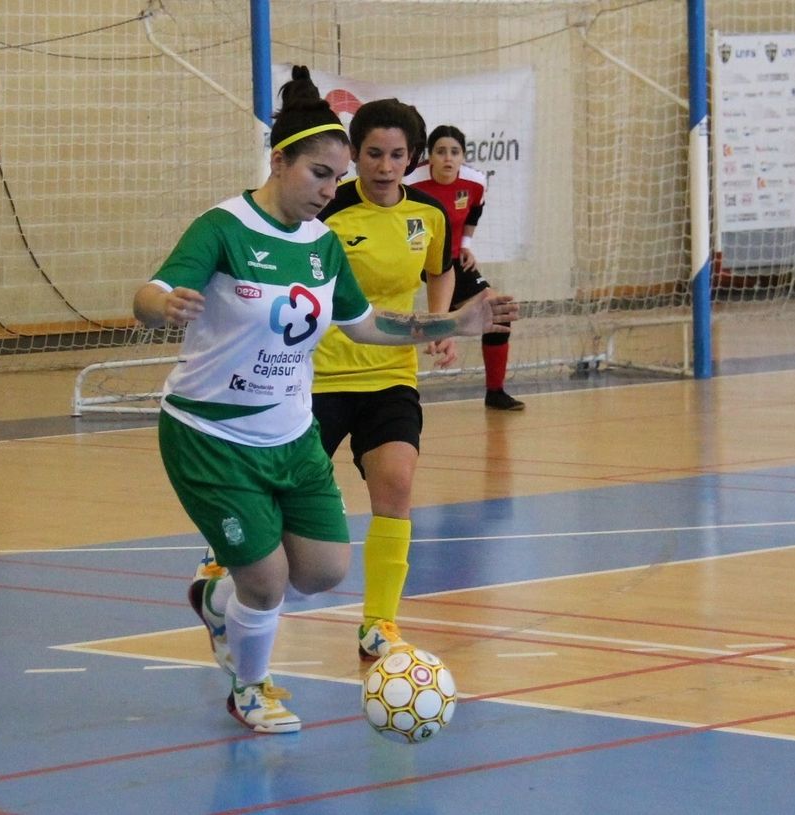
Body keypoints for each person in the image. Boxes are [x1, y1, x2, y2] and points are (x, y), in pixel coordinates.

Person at [135, 66, 515, 734]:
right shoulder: (223, 228)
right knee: (268, 581)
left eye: (334, 178)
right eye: (317, 173)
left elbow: (367, 323)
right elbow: (150, 292)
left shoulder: (320, 244)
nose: (327, 189)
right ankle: (249, 687)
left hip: (289, 436)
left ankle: (216, 598)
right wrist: (162, 305)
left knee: (322, 569)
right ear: (279, 161)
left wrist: (456, 322)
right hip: (212, 434)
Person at [311, 97, 457, 663]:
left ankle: (379, 623)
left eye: (397, 155)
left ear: (412, 158)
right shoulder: (326, 211)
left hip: (392, 373)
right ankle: (225, 563)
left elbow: (438, 271)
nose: (384, 165)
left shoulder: (429, 216)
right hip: (318, 377)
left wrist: (440, 325)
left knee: (396, 483)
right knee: (288, 493)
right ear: (354, 154)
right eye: (373, 153)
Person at [407, 125, 525, 410]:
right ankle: (442, 330)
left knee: (497, 311)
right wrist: (419, 256)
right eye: (441, 152)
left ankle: (495, 392)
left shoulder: (475, 181)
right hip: (414, 252)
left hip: (450, 255)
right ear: (429, 157)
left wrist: (466, 244)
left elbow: (474, 211)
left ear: (463, 156)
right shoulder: (411, 182)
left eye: (455, 152)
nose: (448, 158)